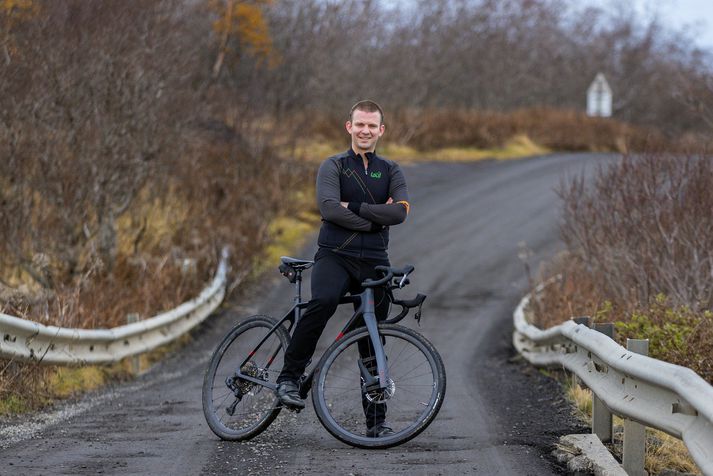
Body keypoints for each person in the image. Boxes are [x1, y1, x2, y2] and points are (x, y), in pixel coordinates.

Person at [276, 100, 410, 438]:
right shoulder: (333, 166)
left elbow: (400, 213)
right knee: (322, 302)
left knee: (372, 335)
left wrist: (358, 207)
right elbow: (330, 209)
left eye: (372, 126)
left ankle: (376, 422)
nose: (365, 131)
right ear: (348, 127)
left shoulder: (391, 170)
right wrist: (373, 219)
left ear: (382, 130)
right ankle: (289, 378)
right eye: (359, 125)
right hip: (334, 255)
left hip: (376, 261)